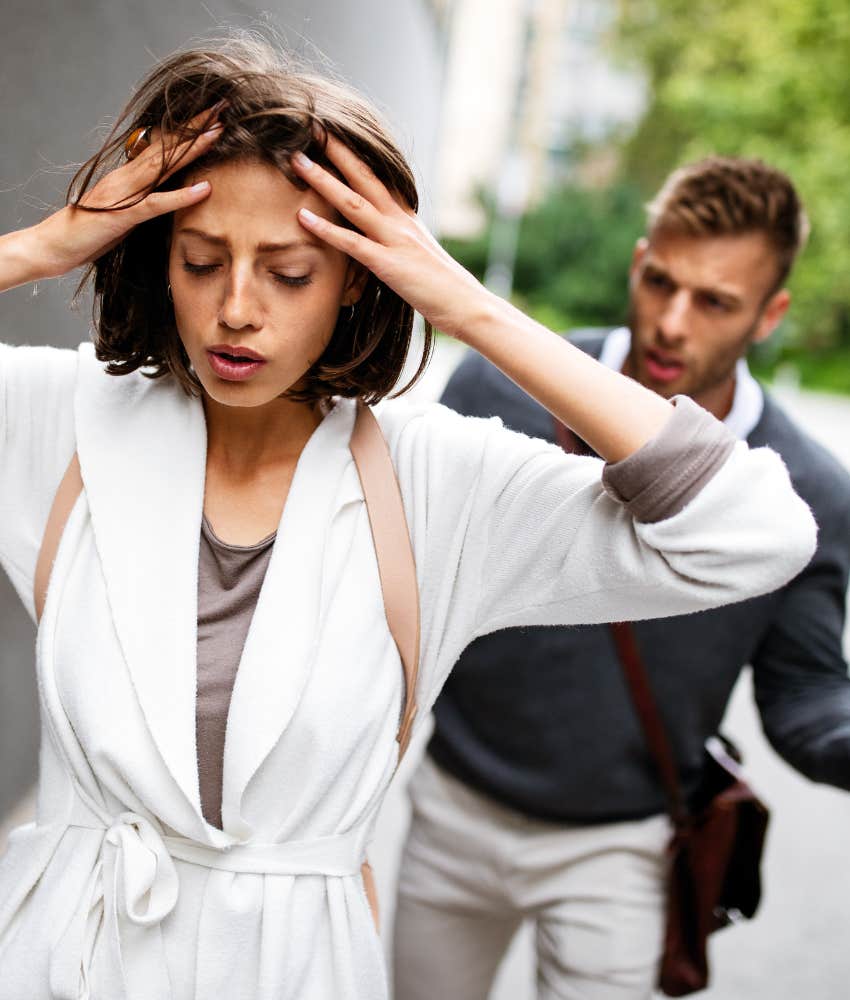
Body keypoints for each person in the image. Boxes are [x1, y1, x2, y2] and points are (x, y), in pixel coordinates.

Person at [0, 34, 816, 1000]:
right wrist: (42, 246)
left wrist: (471, 309)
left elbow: (754, 532)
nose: (236, 308)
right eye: (201, 260)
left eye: (290, 273)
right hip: (64, 961)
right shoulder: (63, 420)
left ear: (356, 279)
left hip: (294, 972)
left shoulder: (431, 483)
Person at [392, 156, 850, 1000]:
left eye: (715, 302)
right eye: (660, 282)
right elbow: (402, 567)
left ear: (770, 313)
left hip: (622, 847)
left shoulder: (807, 488)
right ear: (638, 261)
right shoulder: (501, 384)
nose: (672, 323)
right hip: (454, 807)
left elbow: (807, 689)